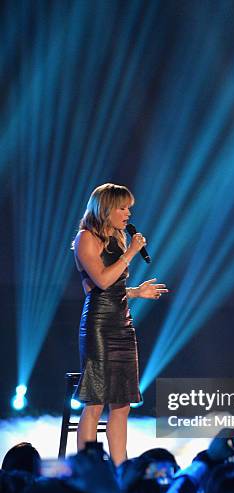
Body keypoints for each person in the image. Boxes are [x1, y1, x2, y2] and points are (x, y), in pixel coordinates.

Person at [72, 183, 168, 464]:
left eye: (129, 208)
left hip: (123, 325)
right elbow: (100, 282)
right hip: (99, 325)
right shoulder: (86, 238)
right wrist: (130, 253)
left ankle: (119, 466)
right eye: (123, 208)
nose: (128, 214)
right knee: (95, 402)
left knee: (122, 404)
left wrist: (137, 292)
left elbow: (113, 286)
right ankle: (87, 466)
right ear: (106, 209)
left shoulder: (118, 236)